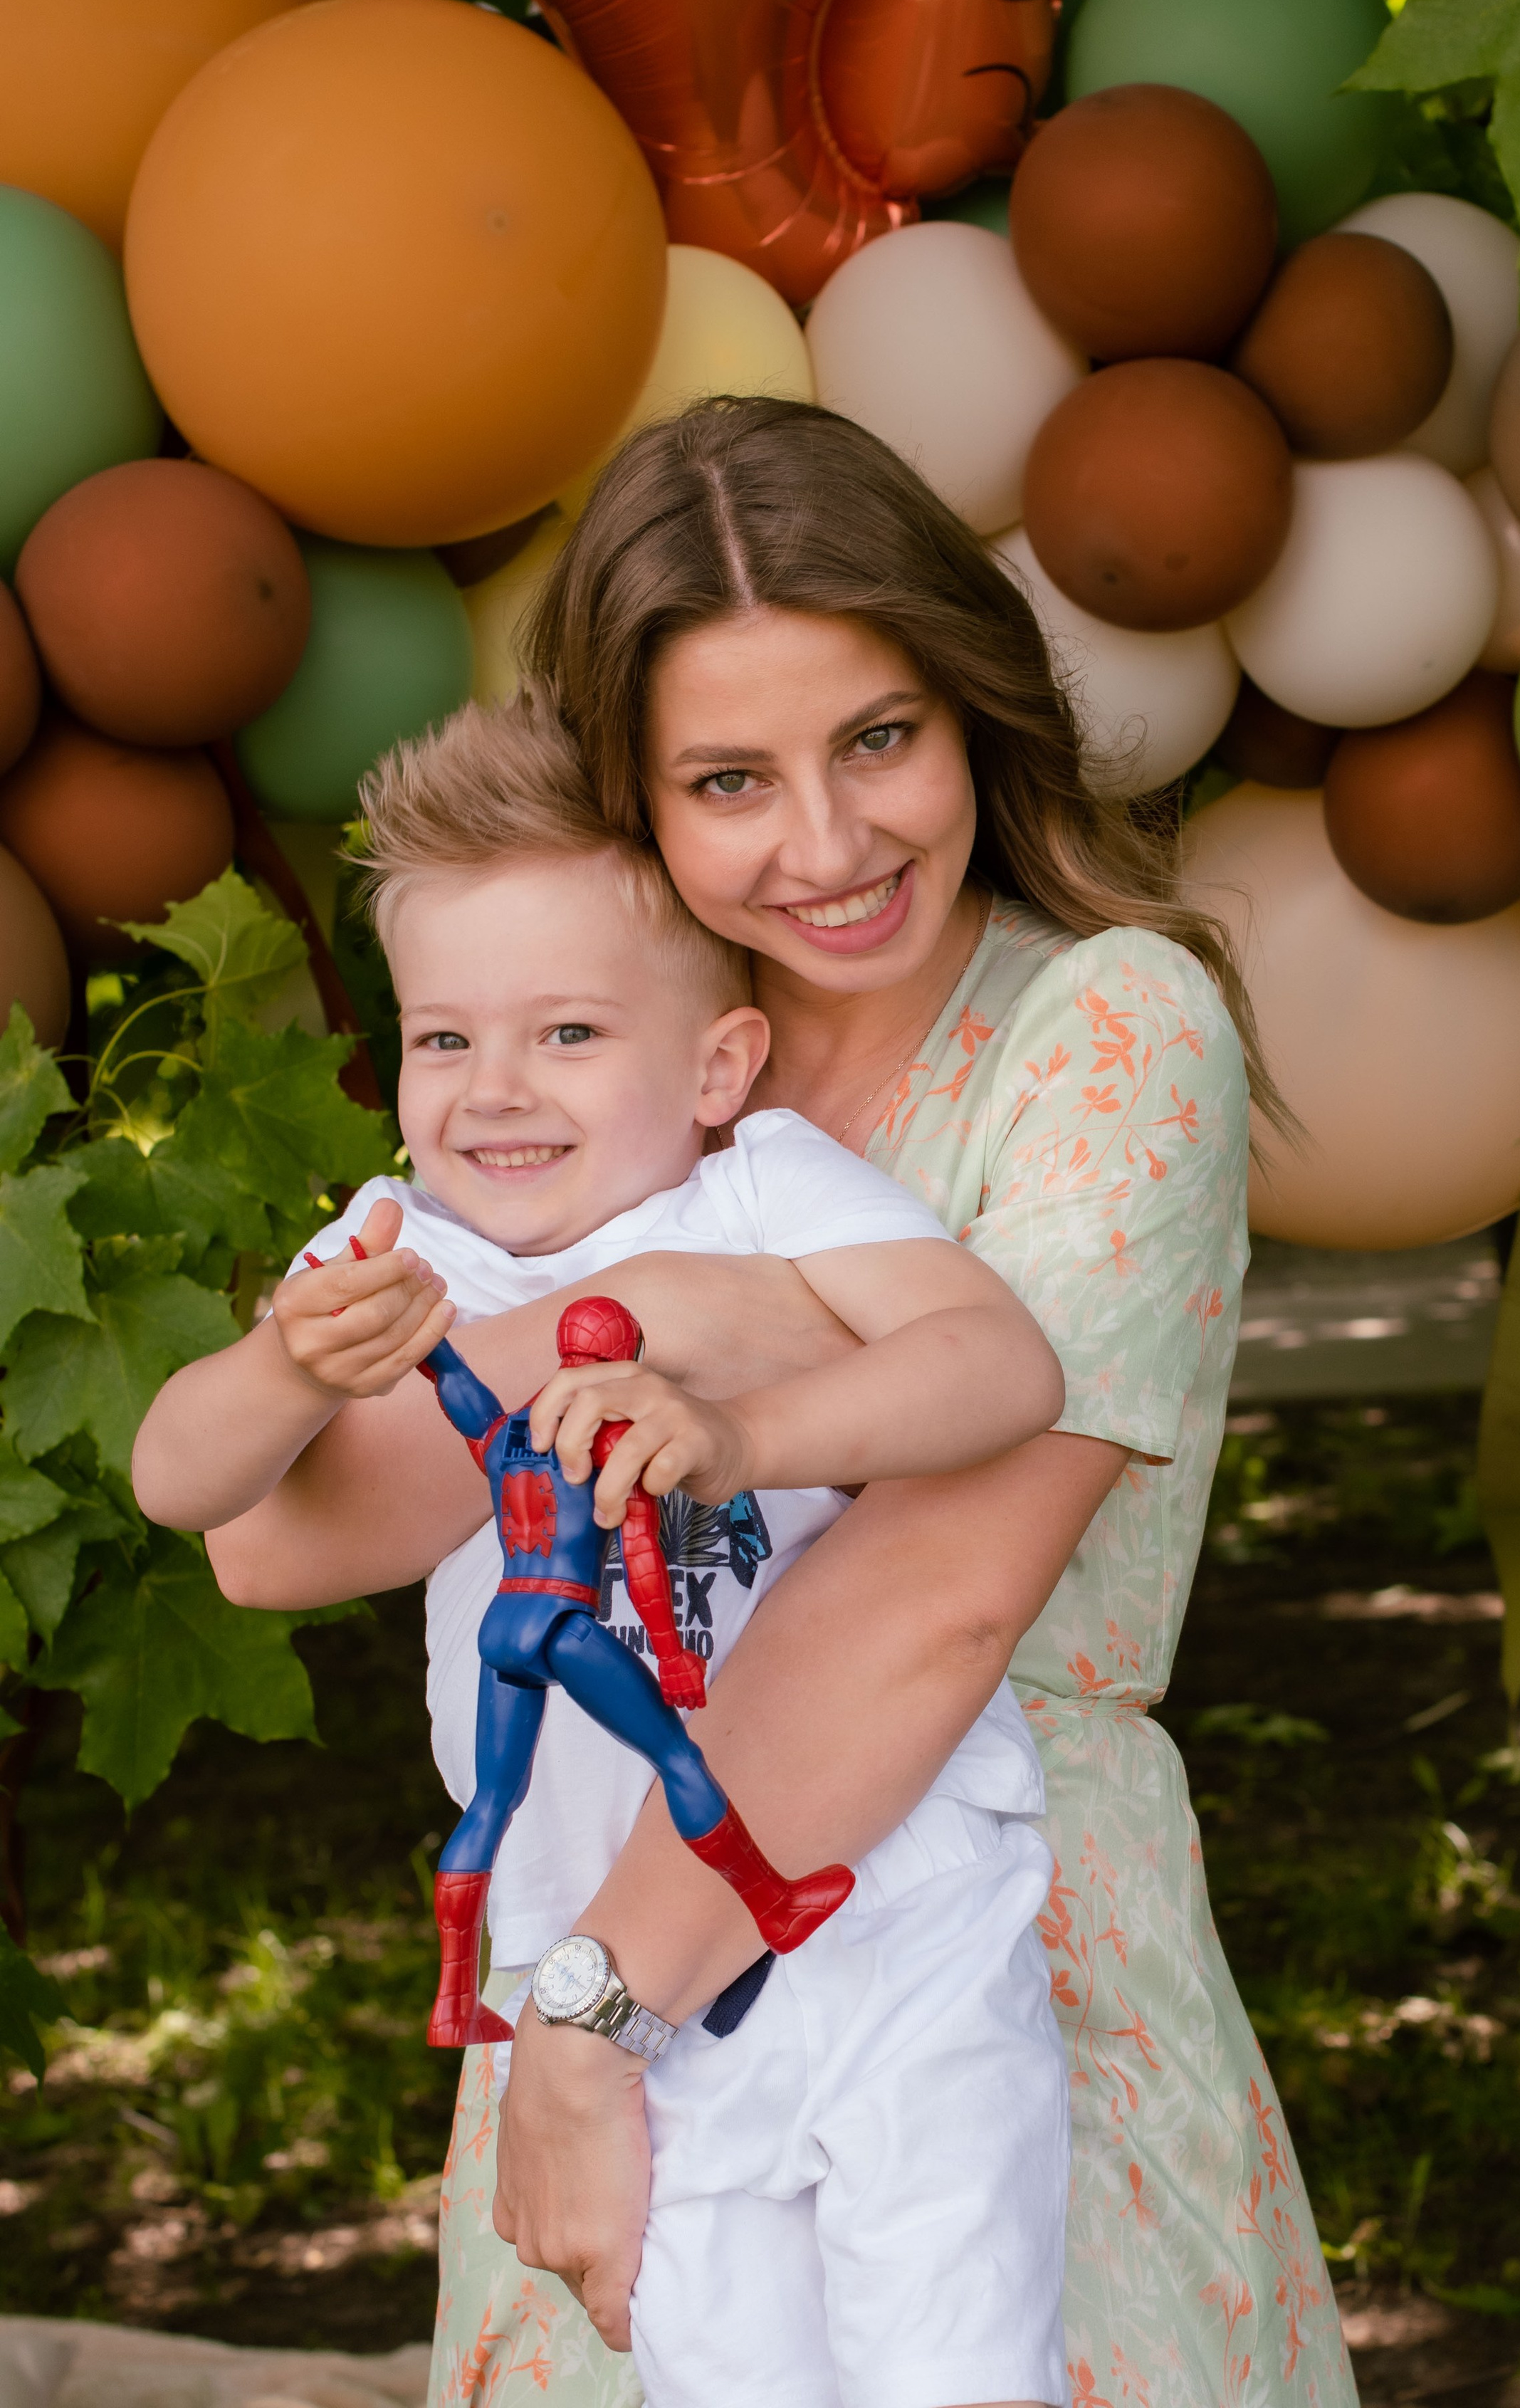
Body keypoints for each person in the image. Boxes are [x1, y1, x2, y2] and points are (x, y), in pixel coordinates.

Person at [196, 396, 1358, 2408]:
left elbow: (939, 1601)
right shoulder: (582, 1084)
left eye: (880, 739)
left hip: (947, 1959)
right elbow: (282, 1536)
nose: (825, 846)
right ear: (634, 803)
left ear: (974, 705)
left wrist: (586, 2017)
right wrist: (528, 1322)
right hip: (611, 1946)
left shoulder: (1101, 1031)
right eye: (729, 779)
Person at [135, 689, 1075, 2408]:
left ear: (714, 1063)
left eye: (568, 1035)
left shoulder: (758, 1193)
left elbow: (997, 1365)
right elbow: (188, 1492)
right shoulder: (395, 1250)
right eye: (441, 1041)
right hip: (622, 1987)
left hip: (887, 1921)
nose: (493, 1091)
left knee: (957, 2372)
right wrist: (283, 1365)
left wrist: (745, 1433)